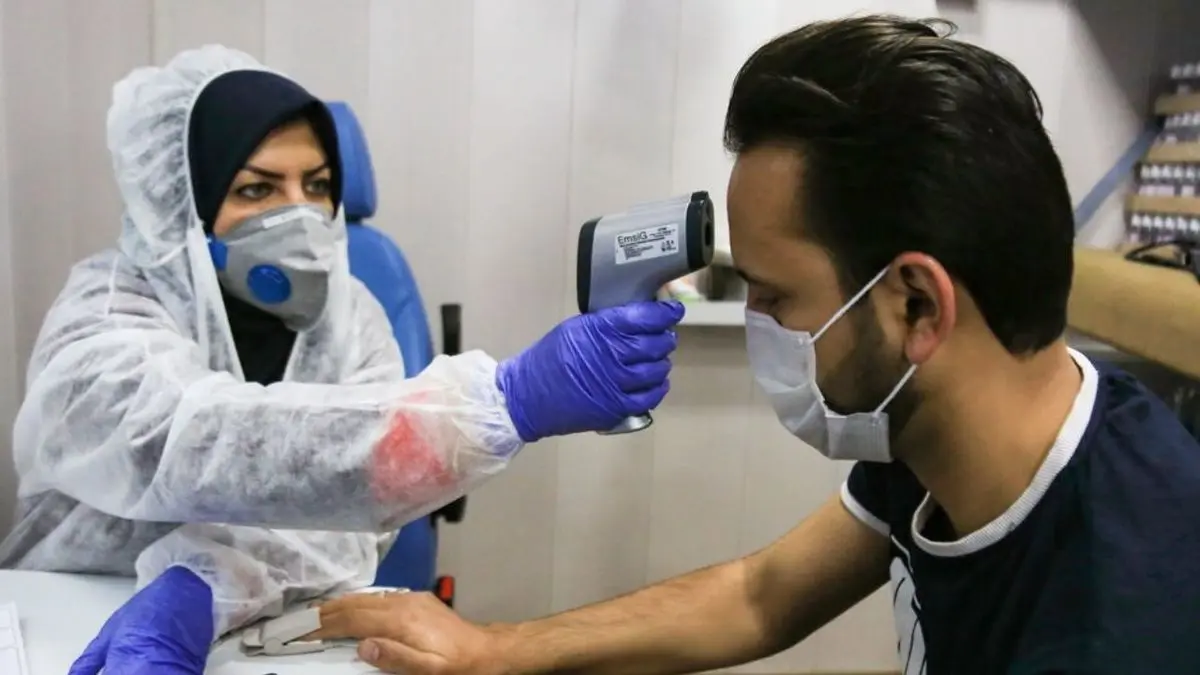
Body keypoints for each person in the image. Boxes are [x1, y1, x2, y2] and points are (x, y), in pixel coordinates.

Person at [306, 15, 1200, 675]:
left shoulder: (1119, 619)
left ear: (917, 305)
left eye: (773, 295)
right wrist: (493, 649)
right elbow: (762, 594)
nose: (760, 322)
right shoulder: (953, 433)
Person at [0, 45, 684, 674]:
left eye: (319, 183)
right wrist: (501, 400)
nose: (301, 213)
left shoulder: (352, 310)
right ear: (189, 203)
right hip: (70, 604)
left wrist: (206, 583)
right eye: (258, 189)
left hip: (269, 620)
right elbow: (187, 442)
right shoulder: (108, 305)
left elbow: (355, 512)